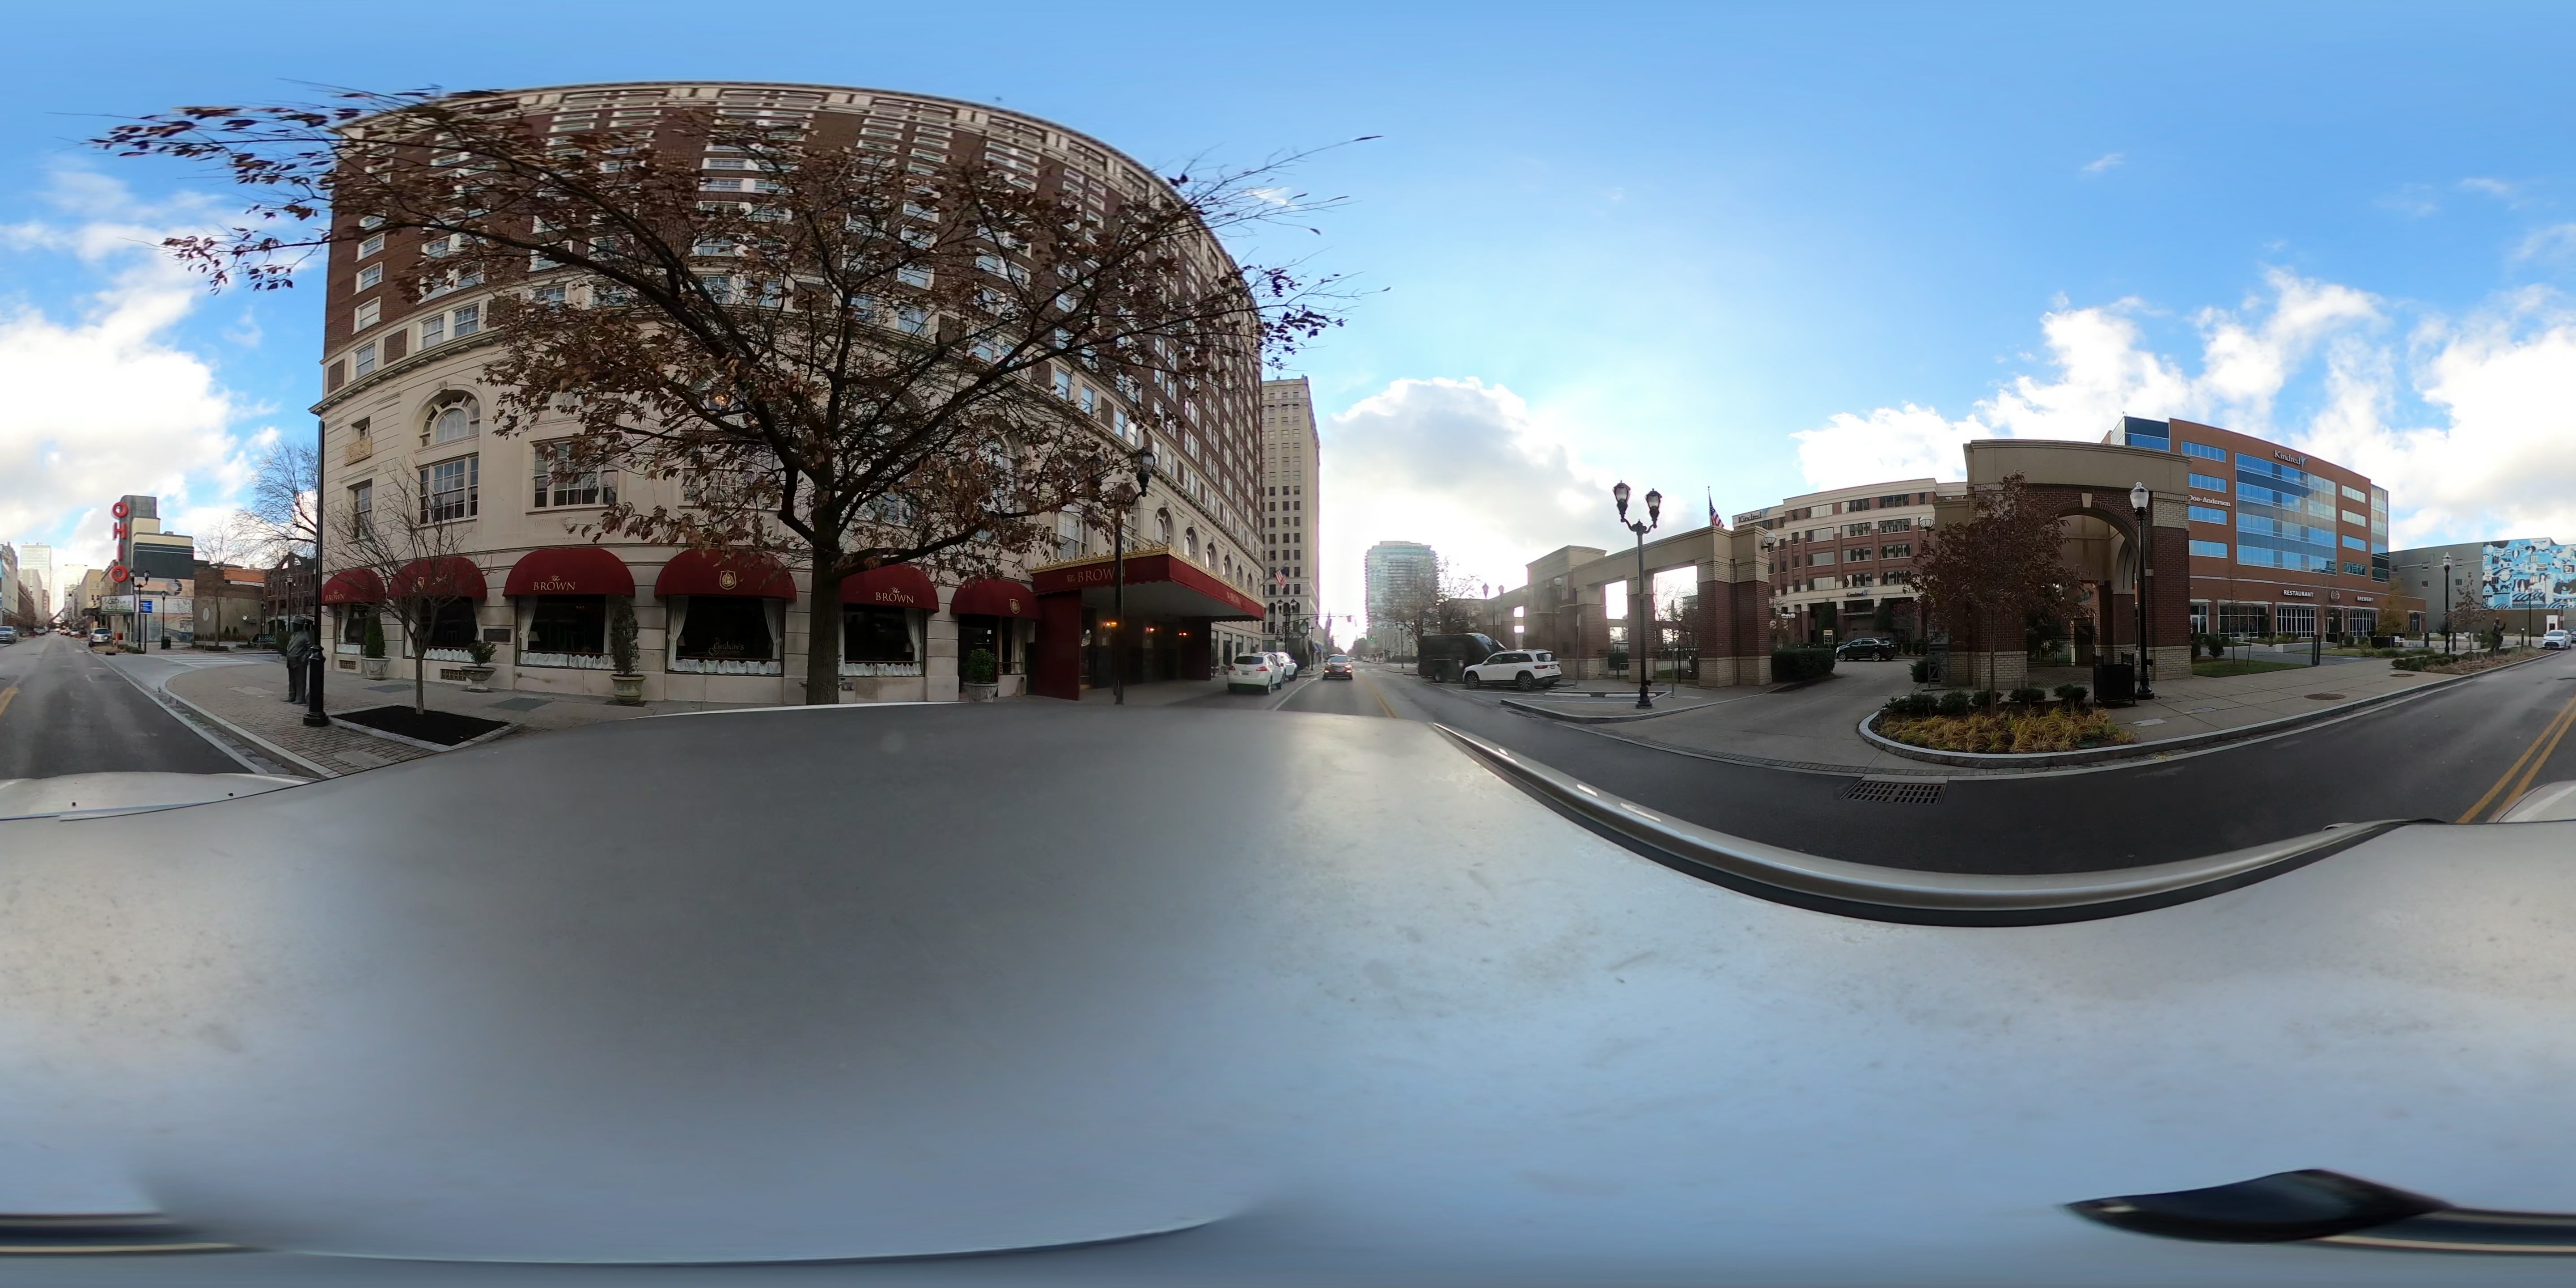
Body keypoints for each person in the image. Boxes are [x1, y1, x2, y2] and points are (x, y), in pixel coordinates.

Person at [284, 620, 314, 703]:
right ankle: (292, 696)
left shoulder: (305, 635)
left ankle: (300, 698)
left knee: (300, 680)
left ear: (300, 626)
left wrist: (304, 657)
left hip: (300, 661)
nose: (293, 627)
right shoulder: (295, 635)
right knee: (292, 680)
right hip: (291, 661)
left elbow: (311, 648)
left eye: (295, 625)